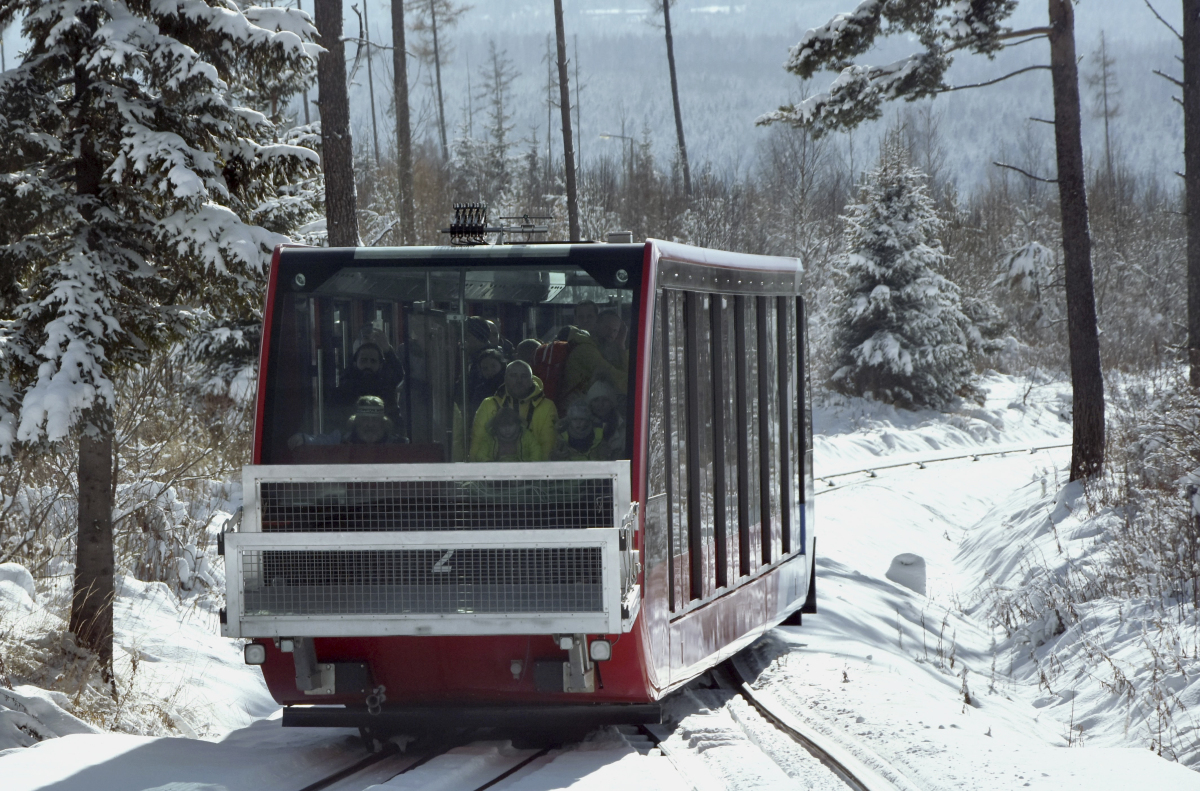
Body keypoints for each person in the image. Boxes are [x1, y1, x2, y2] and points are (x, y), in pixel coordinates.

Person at [470, 360, 558, 461]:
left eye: (524, 376)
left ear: (531, 380)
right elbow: (477, 445)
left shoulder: (547, 406)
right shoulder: (489, 405)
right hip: (494, 474)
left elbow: (548, 447)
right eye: (513, 376)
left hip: (534, 473)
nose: (519, 381)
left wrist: (537, 474)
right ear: (505, 379)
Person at [288, 396, 400, 448]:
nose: (370, 424)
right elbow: (319, 441)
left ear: (384, 422)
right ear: (356, 421)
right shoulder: (341, 439)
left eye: (375, 420)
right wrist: (302, 438)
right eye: (365, 419)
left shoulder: (398, 444)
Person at [335, 342, 401, 423]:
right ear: (355, 363)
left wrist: (388, 350)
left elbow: (398, 374)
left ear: (380, 365)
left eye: (373, 361)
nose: (368, 365)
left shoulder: (386, 386)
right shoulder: (345, 387)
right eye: (363, 360)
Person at [562, 325, 628, 403]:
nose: (611, 334)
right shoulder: (586, 350)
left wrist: (621, 346)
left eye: (615, 330)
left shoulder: (595, 347)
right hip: (572, 408)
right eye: (606, 327)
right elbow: (623, 382)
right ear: (597, 326)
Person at [471, 406, 541, 462]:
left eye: (510, 425)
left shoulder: (526, 435)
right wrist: (490, 464)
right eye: (503, 426)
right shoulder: (490, 437)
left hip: (522, 475)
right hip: (496, 475)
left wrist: (528, 467)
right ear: (497, 426)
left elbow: (537, 452)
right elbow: (480, 455)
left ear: (517, 424)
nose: (507, 429)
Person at [586, 380, 625, 460]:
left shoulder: (623, 429)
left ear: (612, 403)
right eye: (596, 400)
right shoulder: (579, 428)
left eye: (605, 400)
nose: (600, 405)